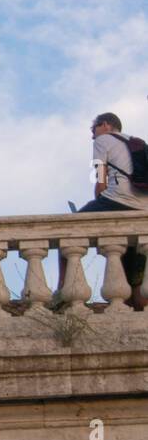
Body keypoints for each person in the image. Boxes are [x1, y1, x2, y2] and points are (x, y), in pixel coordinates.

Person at [70, 113, 147, 307]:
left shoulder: (103, 139)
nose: (92, 136)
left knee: (69, 230)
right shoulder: (137, 142)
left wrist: (99, 204)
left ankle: (64, 289)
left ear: (105, 125)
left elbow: (100, 178)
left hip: (117, 198)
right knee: (132, 274)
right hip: (143, 207)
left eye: (93, 129)